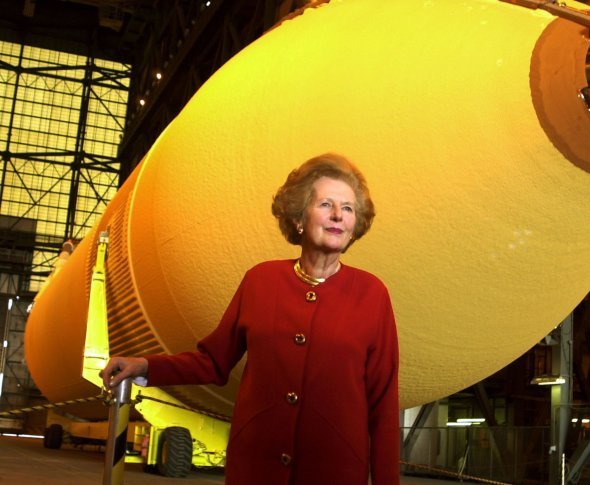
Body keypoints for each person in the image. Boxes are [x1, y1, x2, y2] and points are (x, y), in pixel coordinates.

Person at [100, 153, 400, 485]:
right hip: (255, 467)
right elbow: (213, 362)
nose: (337, 216)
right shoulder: (260, 280)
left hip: (335, 472)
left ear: (355, 225)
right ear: (299, 217)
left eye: (347, 208)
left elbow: (383, 403)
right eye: (326, 204)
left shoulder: (373, 294)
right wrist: (146, 366)